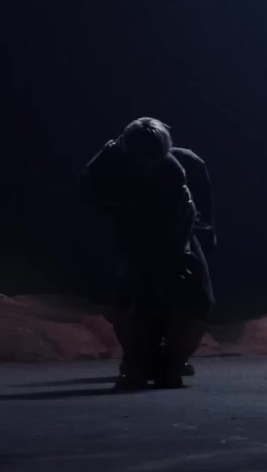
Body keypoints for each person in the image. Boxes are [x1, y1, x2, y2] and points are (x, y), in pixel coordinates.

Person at [81, 118, 214, 390]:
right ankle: (136, 361)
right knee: (126, 299)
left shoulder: (176, 170)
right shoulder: (107, 165)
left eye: (153, 159)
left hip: (175, 234)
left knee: (199, 299)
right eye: (141, 159)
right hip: (131, 232)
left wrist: (183, 252)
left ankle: (173, 360)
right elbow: (90, 196)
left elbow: (186, 215)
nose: (147, 165)